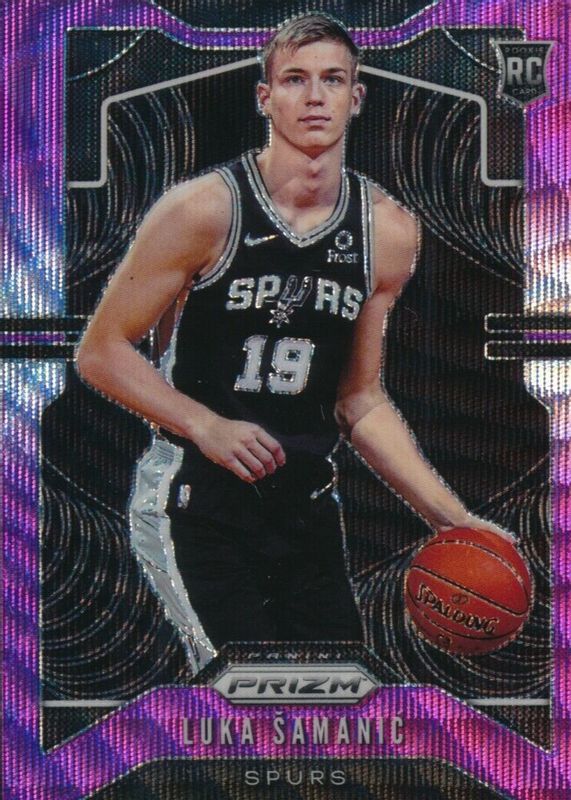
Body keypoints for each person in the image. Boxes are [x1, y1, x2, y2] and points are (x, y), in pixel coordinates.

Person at [77, 13, 511, 672]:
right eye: (294, 80)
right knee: (249, 689)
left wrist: (454, 520)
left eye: (332, 80)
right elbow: (101, 350)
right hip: (198, 499)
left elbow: (358, 399)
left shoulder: (387, 232)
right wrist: (203, 424)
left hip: (305, 508)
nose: (314, 97)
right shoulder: (203, 210)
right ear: (265, 97)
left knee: (336, 696)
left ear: (355, 98)